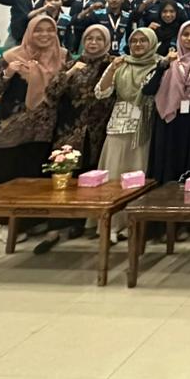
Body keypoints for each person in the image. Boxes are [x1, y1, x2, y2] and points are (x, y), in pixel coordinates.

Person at [0, 14, 68, 242]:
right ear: (30, 32)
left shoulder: (62, 57)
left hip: (44, 128)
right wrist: (8, 73)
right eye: (38, 30)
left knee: (36, 175)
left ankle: (33, 220)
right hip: (12, 126)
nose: (44, 34)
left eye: (49, 30)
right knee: (8, 175)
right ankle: (6, 224)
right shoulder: (11, 56)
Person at [35, 24, 116, 254]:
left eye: (99, 39)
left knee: (90, 177)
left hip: (98, 131)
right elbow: (51, 93)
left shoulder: (111, 63)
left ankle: (81, 221)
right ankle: (55, 227)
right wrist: (69, 73)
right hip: (69, 129)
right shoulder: (71, 64)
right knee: (63, 178)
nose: (93, 43)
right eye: (89, 38)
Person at [95, 27, 160, 242]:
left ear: (152, 43)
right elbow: (101, 92)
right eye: (134, 41)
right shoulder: (121, 63)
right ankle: (111, 225)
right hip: (119, 125)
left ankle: (133, 224)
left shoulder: (160, 64)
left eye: (143, 40)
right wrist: (112, 69)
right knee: (115, 174)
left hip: (147, 126)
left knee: (139, 175)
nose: (138, 44)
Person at [144, 22, 190, 201]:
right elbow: (148, 89)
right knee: (166, 161)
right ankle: (162, 205)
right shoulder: (168, 60)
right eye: (186, 34)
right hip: (168, 121)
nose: (189, 38)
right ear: (179, 36)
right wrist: (163, 65)